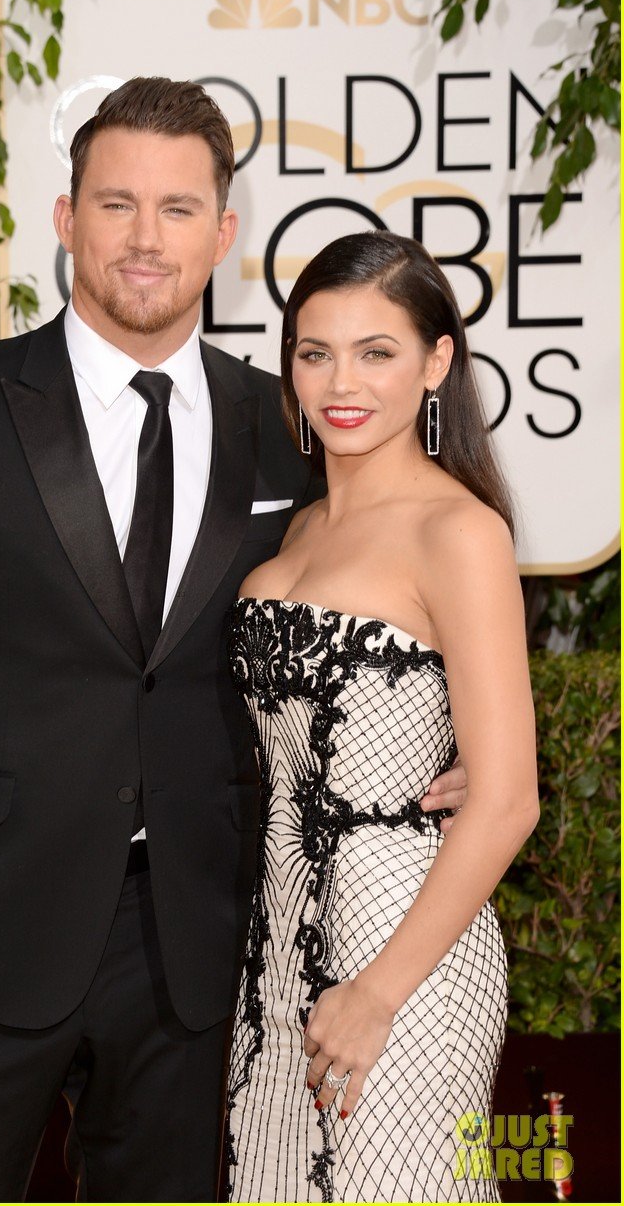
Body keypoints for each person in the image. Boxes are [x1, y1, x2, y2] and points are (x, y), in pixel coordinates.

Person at [0, 80, 465, 1203]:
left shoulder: (282, 418)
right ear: (66, 220)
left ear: (225, 235)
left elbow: (408, 564)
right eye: (116, 205)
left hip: (196, 940)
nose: (146, 240)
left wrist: (473, 738)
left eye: (178, 209)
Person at [225, 231, 539, 1203]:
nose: (339, 381)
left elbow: (507, 803)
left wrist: (376, 991)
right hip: (276, 951)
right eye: (314, 352)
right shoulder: (301, 527)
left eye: (377, 351)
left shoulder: (461, 531)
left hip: (402, 952)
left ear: (437, 360)